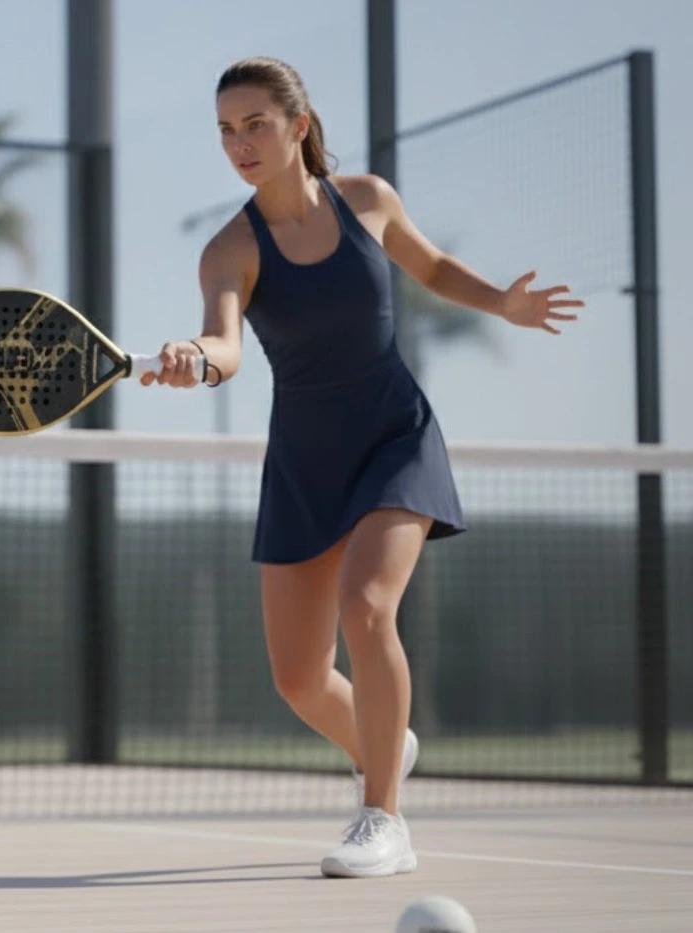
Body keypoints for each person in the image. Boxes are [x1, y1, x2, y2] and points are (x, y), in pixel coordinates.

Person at [144, 56, 583, 878]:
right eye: (226, 131)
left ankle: (384, 818)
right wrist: (193, 358)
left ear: (298, 126)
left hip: (393, 436)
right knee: (299, 678)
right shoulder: (229, 249)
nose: (240, 144)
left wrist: (503, 302)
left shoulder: (369, 200)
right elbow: (224, 344)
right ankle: (385, 741)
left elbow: (433, 267)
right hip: (303, 458)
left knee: (368, 606)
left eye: (256, 124)